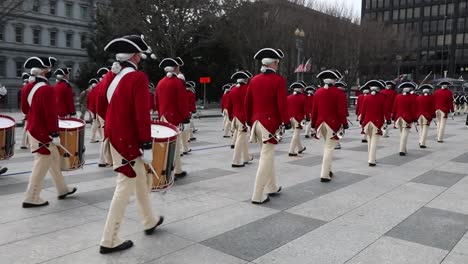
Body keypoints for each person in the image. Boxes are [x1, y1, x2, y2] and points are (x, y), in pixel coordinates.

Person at [99, 35, 164, 254]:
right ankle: (110, 239)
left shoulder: (110, 76)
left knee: (140, 179)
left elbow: (100, 105)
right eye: (141, 56)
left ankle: (149, 220)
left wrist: (114, 123)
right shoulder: (137, 78)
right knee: (124, 186)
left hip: (114, 135)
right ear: (136, 56)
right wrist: (145, 140)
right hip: (126, 139)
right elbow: (141, 114)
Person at [21, 56, 76, 208]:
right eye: (49, 70)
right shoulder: (46, 89)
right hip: (42, 132)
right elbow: (50, 114)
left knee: (54, 159)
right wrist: (55, 133)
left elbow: (25, 109)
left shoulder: (27, 87)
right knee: (41, 163)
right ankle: (31, 197)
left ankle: (62, 189)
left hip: (33, 128)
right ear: (45, 71)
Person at [245, 48, 290, 204]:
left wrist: (248, 120)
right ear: (275, 63)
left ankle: (272, 186)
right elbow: (282, 104)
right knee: (266, 156)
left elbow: (248, 102)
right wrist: (286, 120)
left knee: (268, 154)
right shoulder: (278, 80)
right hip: (269, 123)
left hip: (256, 122)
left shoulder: (254, 80)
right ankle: (258, 194)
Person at [155, 57, 189, 179]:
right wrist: (186, 118)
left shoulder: (160, 82)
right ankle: (170, 171)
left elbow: (157, 102)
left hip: (163, 116)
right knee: (174, 146)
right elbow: (182, 102)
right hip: (174, 117)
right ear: (175, 68)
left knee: (167, 146)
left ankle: (177, 169)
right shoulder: (178, 82)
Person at [311, 70, 348, 182]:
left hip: (320, 123)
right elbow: (341, 112)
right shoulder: (339, 93)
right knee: (329, 148)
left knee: (326, 146)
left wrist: (313, 124)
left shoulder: (318, 92)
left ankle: (329, 169)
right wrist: (345, 124)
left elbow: (314, 111)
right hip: (332, 123)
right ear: (334, 80)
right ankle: (324, 174)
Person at [227, 70, 253, 167]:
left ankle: (246, 157)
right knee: (241, 138)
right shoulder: (248, 89)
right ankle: (236, 160)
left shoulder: (232, 89)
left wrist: (230, 117)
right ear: (245, 79)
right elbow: (250, 105)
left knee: (243, 137)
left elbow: (229, 105)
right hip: (243, 118)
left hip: (235, 117)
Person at [360, 80, 388, 167]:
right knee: (374, 142)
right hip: (377, 122)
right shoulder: (383, 97)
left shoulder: (366, 97)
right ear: (379, 88)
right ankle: (372, 160)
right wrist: (388, 119)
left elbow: (363, 110)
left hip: (367, 121)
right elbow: (385, 110)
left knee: (369, 140)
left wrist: (362, 120)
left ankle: (370, 157)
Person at [96, 67, 114, 167]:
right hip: (105, 114)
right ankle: (102, 160)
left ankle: (109, 159)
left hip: (100, 113)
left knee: (106, 138)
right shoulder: (106, 85)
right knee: (105, 138)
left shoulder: (99, 85)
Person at [392, 82, 417, 156]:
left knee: (401, 133)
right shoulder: (412, 98)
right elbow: (413, 109)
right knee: (404, 134)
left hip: (398, 117)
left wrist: (393, 117)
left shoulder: (398, 96)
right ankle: (401, 150)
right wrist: (414, 118)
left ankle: (404, 148)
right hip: (407, 118)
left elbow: (394, 107)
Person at [287, 81, 307, 156]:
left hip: (290, 117)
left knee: (296, 133)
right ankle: (291, 150)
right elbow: (305, 109)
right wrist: (307, 117)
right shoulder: (303, 97)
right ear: (300, 89)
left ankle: (300, 148)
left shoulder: (288, 97)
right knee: (296, 134)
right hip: (298, 118)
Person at [415, 84, 435, 149]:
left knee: (421, 128)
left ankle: (420, 140)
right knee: (425, 129)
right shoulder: (431, 98)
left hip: (419, 115)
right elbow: (432, 108)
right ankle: (422, 143)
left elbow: (416, 107)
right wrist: (433, 115)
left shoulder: (418, 97)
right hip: (427, 115)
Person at [334, 81, 349, 150]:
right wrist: (345, 114)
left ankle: (334, 143)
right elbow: (343, 106)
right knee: (338, 129)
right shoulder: (342, 94)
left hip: (330, 115)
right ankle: (336, 144)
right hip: (338, 116)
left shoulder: (332, 93)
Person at [87, 78, 101, 143]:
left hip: (91, 109)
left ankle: (100, 137)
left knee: (97, 124)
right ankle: (92, 138)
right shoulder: (97, 91)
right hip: (94, 109)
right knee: (95, 124)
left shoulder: (91, 92)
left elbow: (88, 101)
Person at [20, 72, 31, 149]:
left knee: (26, 126)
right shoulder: (28, 87)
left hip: (25, 109)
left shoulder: (24, 87)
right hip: (29, 110)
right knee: (27, 127)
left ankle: (24, 143)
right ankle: (25, 143)